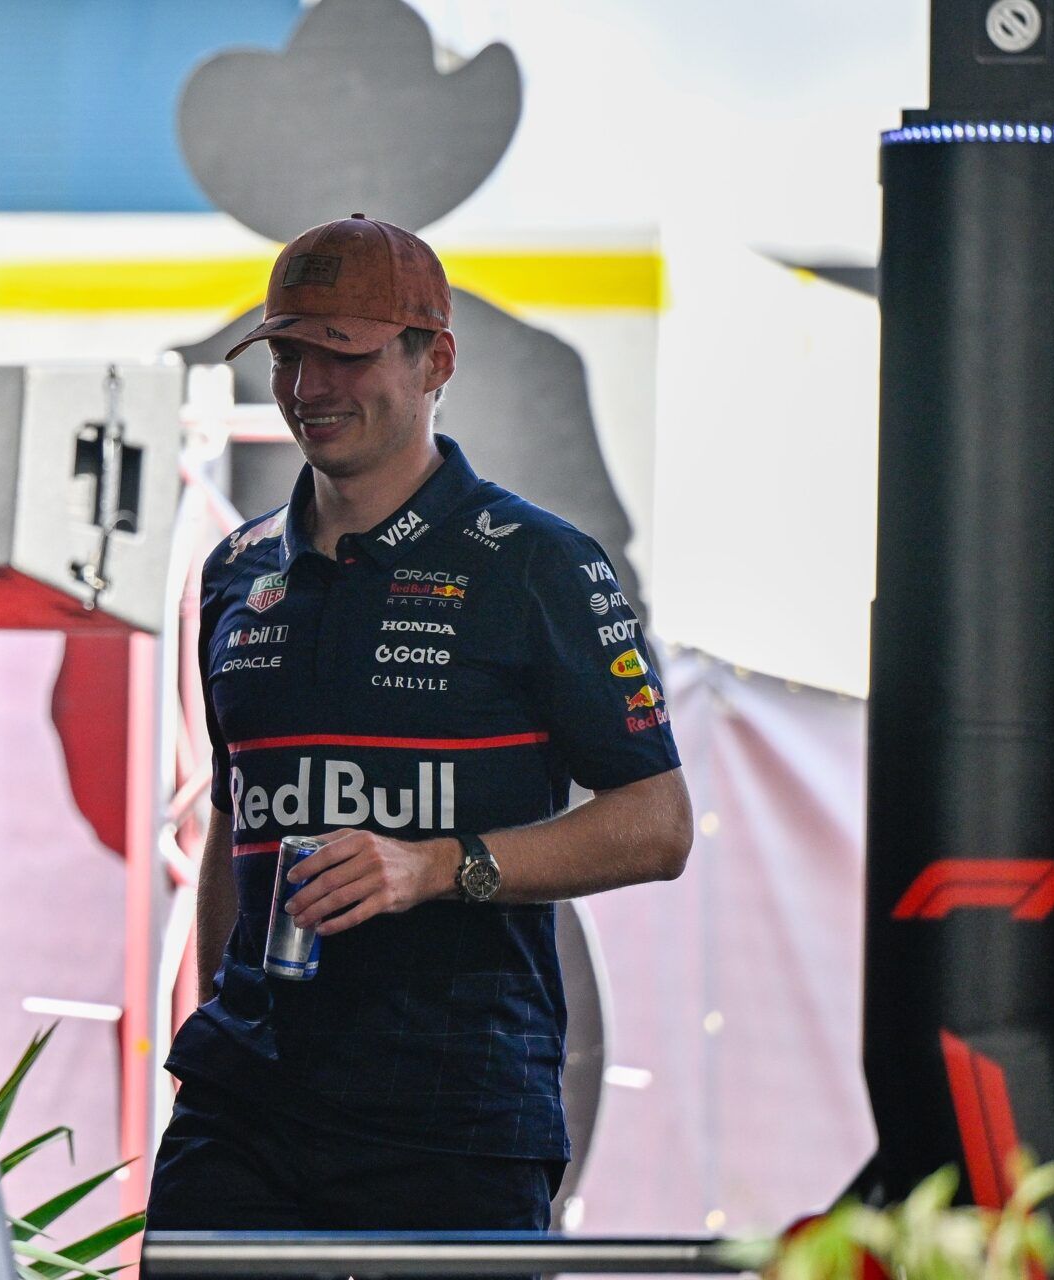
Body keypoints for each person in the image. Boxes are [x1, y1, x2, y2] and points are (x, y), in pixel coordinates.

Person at [146, 215, 693, 1238]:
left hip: (458, 1114)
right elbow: (237, 815)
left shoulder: (541, 563)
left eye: (343, 354)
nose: (310, 386)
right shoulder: (237, 571)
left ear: (435, 359)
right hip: (242, 1108)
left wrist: (433, 864)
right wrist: (225, 1005)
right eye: (291, 352)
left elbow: (658, 824)